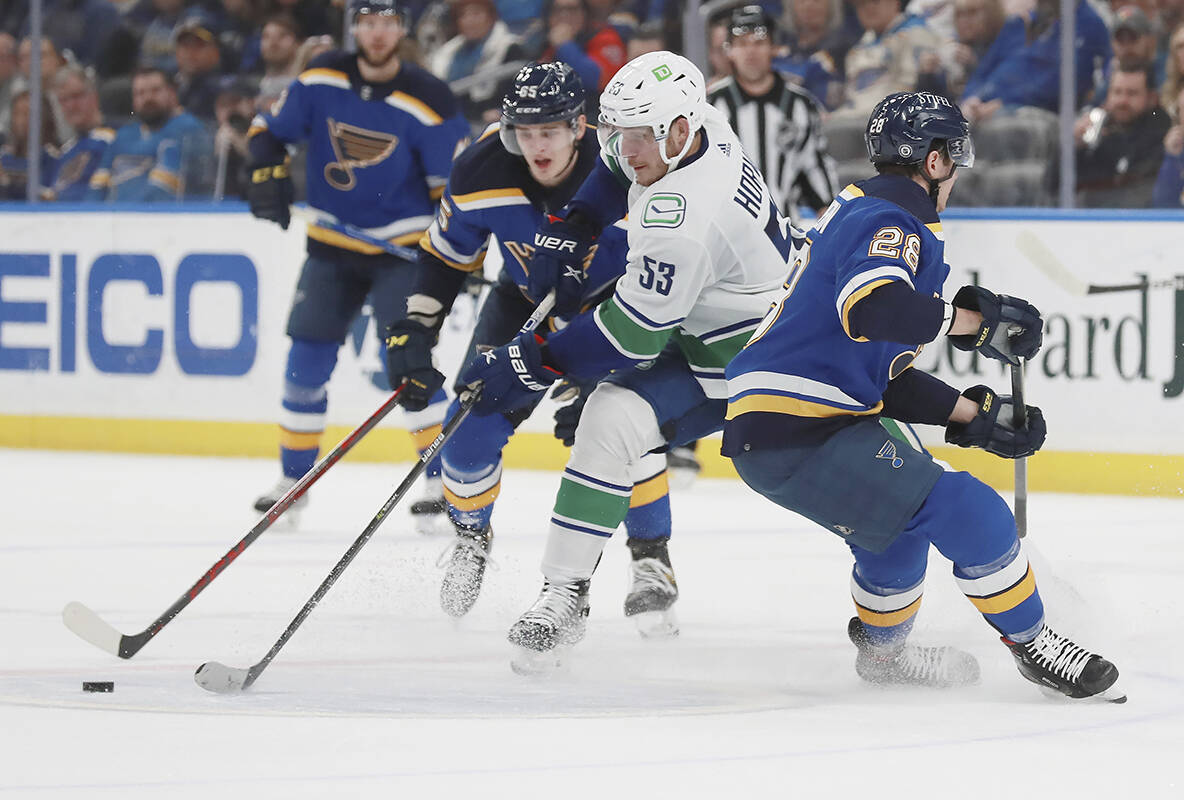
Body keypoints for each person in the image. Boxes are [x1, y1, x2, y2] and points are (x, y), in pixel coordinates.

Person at [723, 90, 1124, 702]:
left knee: (894, 532)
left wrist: (971, 415)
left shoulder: (863, 212)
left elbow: (876, 371)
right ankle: (1036, 644)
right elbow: (874, 308)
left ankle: (883, 657)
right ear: (933, 161)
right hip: (799, 424)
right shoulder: (889, 219)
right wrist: (972, 322)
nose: (958, 170)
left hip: (797, 419)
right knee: (964, 506)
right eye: (953, 155)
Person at [460, 51, 794, 673]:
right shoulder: (701, 127)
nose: (627, 147)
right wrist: (574, 226)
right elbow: (614, 166)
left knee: (610, 415)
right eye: (619, 130)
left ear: (677, 127)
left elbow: (632, 336)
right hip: (705, 318)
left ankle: (633, 561)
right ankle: (565, 591)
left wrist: (536, 359)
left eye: (642, 134)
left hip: (744, 359)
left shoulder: (683, 218)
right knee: (608, 420)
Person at [386, 62, 677, 621]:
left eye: (549, 131)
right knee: (466, 432)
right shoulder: (479, 168)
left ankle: (650, 556)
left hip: (612, 311)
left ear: (579, 127)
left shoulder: (626, 164)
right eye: (524, 132)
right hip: (524, 302)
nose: (536, 146)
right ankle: (471, 538)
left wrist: (592, 378)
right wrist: (417, 327)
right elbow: (447, 257)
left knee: (619, 427)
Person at [245, 0, 470, 531]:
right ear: (355, 28)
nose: (376, 33)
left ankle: (441, 481)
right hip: (331, 245)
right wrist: (264, 166)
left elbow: (455, 191)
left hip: (403, 251)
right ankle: (293, 481)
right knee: (305, 364)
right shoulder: (321, 78)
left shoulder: (430, 97)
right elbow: (266, 129)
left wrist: (458, 251)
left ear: (401, 29)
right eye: (367, 22)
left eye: (387, 22)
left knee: (408, 366)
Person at [709, 5, 839, 221]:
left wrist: (829, 214)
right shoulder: (711, 105)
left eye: (759, 43)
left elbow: (815, 166)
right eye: (742, 44)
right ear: (729, 50)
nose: (751, 52)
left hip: (785, 228)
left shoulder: (801, 105)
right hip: (726, 228)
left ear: (773, 47)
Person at [959, 0, 1110, 124]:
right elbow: (984, 69)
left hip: (1031, 111)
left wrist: (1003, 102)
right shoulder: (1018, 23)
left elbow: (1063, 84)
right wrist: (971, 97)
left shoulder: (1088, 25)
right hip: (982, 105)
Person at [87, 66, 211, 201]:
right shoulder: (123, 135)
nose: (148, 98)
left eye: (155, 90)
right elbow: (97, 188)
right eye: (140, 93)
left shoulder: (188, 129)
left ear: (172, 93)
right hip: (115, 218)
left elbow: (161, 194)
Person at [1070, 61, 1170, 208]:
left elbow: (1139, 193)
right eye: (1117, 92)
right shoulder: (1094, 134)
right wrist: (1073, 147)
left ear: (1152, 98)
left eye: (1132, 93)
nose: (1122, 101)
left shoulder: (1161, 136)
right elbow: (1053, 188)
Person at [830, 0, 942, 122]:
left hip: (895, 120)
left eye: (875, 2)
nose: (868, 8)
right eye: (861, 4)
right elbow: (851, 98)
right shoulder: (858, 49)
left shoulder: (916, 33)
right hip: (856, 117)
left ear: (895, 3)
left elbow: (911, 91)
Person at [426, 0, 527, 132]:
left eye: (476, 14)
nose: (469, 21)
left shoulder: (510, 49)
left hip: (491, 125)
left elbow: (510, 96)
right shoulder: (445, 54)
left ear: (491, 17)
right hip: (449, 121)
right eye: (463, 15)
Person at [48, 65, 113, 201]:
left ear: (94, 97)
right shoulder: (65, 151)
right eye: (63, 100)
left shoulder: (112, 140)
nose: (71, 105)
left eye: (76, 96)